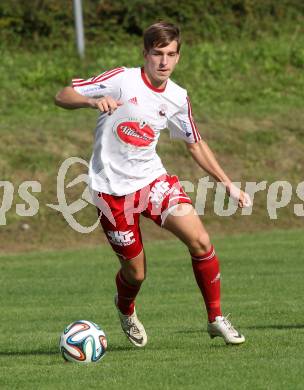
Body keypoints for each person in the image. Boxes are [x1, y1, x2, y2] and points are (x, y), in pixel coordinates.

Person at [55, 21, 251, 347]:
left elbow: (195, 144)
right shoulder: (121, 79)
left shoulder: (177, 97)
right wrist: (92, 102)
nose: (164, 62)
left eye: (171, 54)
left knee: (201, 240)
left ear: (178, 56)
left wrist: (228, 184)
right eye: (158, 53)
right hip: (112, 191)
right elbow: (63, 95)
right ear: (145, 54)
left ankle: (215, 318)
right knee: (136, 274)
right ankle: (125, 307)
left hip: (151, 181)